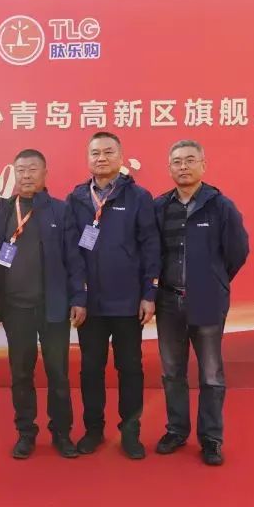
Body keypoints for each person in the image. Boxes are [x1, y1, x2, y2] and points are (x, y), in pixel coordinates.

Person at [0, 149, 87, 459]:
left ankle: (61, 433)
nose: (26, 176)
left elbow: (74, 258)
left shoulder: (60, 211)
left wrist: (79, 297)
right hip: (16, 308)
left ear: (45, 173)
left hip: (53, 307)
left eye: (32, 169)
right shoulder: (1, 212)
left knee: (58, 374)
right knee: (21, 374)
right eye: (21, 170)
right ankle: (26, 433)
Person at [153, 140, 249, 466]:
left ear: (203, 165)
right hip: (168, 300)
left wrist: (215, 279)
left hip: (207, 297)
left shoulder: (220, 206)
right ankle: (176, 430)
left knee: (210, 373)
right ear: (169, 168)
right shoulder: (160, 206)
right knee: (172, 371)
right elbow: (152, 252)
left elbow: (237, 252)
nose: (183, 166)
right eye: (177, 162)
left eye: (190, 160)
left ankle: (211, 438)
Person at [66, 132, 161, 459]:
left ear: (121, 158)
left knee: (130, 368)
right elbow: (72, 252)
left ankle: (130, 432)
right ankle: (93, 430)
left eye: (108, 152)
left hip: (127, 302)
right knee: (90, 369)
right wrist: (77, 297)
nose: (101, 158)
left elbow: (151, 247)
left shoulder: (139, 197)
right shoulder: (77, 198)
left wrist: (149, 293)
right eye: (95, 153)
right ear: (88, 159)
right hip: (89, 306)